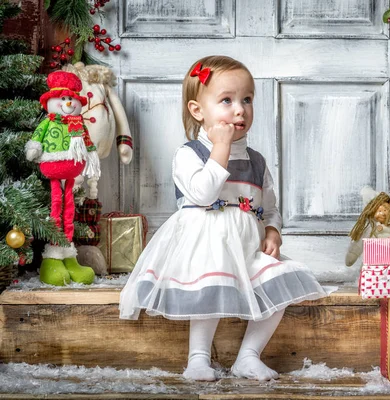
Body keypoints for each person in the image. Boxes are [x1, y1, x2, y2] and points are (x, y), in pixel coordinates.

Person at [119, 55, 328, 381]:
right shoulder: (190, 154)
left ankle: (248, 355)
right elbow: (203, 194)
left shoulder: (257, 162)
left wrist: (273, 230)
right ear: (198, 110)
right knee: (210, 290)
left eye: (246, 99)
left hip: (247, 251)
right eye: (227, 100)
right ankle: (198, 359)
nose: (239, 109)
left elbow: (269, 205)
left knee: (282, 284)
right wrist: (221, 148)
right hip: (206, 248)